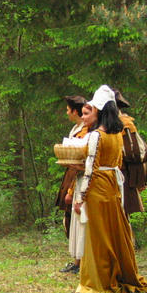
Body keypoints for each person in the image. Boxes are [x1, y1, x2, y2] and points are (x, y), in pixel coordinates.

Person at [73, 85, 147, 293]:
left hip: (98, 184)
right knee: (114, 231)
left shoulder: (97, 135)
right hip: (113, 185)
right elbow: (117, 163)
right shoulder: (117, 135)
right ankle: (120, 273)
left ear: (99, 110)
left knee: (98, 235)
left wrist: (80, 197)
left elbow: (90, 169)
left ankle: (98, 280)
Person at [55, 95, 87, 274]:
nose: (67, 112)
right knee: (70, 220)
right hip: (73, 175)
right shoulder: (77, 128)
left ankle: (81, 261)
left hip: (79, 177)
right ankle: (77, 260)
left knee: (77, 219)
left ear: (76, 111)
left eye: (68, 109)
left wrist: (71, 189)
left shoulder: (86, 130)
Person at [115, 89, 147, 217]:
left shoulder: (125, 124)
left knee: (123, 221)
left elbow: (136, 152)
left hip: (123, 176)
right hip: (115, 176)